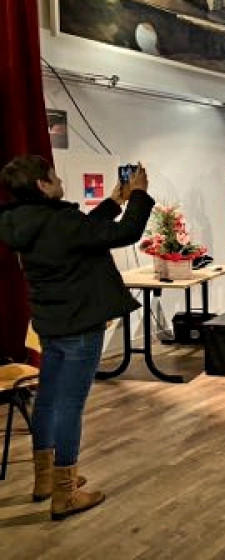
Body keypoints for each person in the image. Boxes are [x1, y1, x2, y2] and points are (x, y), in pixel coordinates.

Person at [0, 154, 153, 520]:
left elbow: (82, 233)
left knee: (49, 401)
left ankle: (44, 480)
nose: (57, 179)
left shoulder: (19, 220)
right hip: (80, 324)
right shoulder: (60, 221)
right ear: (42, 185)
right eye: (52, 176)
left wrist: (114, 201)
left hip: (50, 323)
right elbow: (123, 234)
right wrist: (139, 196)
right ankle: (65, 493)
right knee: (70, 405)